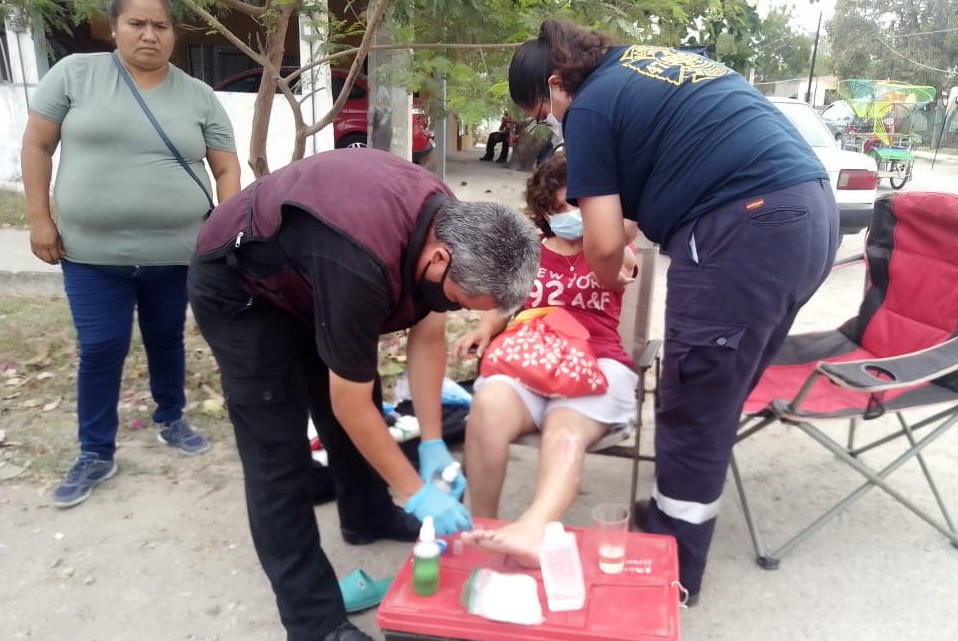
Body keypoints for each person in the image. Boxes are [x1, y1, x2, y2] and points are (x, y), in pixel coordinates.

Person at [508, 20, 838, 602]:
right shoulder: (646, 67)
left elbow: (605, 245)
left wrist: (614, 269)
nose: (551, 123)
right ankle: (671, 515)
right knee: (719, 390)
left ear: (557, 86)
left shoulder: (587, 110)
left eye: (541, 112)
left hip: (744, 226)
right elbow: (637, 209)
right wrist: (618, 251)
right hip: (809, 215)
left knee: (694, 399)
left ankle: (674, 572)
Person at [187, 148, 540, 641]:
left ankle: (366, 514)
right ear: (440, 259)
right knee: (277, 452)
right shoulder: (361, 259)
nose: (453, 308)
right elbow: (345, 402)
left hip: (307, 275)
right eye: (461, 301)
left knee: (363, 396)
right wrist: (418, 493)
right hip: (240, 286)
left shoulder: (449, 225)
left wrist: (434, 444)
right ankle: (312, 622)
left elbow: (428, 332)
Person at [20, 0, 242, 509]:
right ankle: (95, 451)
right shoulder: (75, 75)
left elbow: (227, 170)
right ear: (114, 27)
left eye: (160, 25)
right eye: (136, 23)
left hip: (176, 253)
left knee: (167, 341)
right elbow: (37, 146)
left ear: (174, 34)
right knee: (100, 348)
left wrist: (223, 231)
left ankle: (171, 418)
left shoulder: (199, 97)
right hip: (91, 253)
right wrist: (39, 219)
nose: (149, 35)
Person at [455, 153, 638, 566]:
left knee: (563, 429)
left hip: (597, 360)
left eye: (579, 204)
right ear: (545, 211)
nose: (570, 214)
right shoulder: (529, 252)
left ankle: (532, 532)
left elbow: (625, 250)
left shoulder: (610, 249)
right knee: (486, 409)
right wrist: (486, 328)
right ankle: (483, 530)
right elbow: (506, 301)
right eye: (559, 208)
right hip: (530, 359)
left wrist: (613, 233)